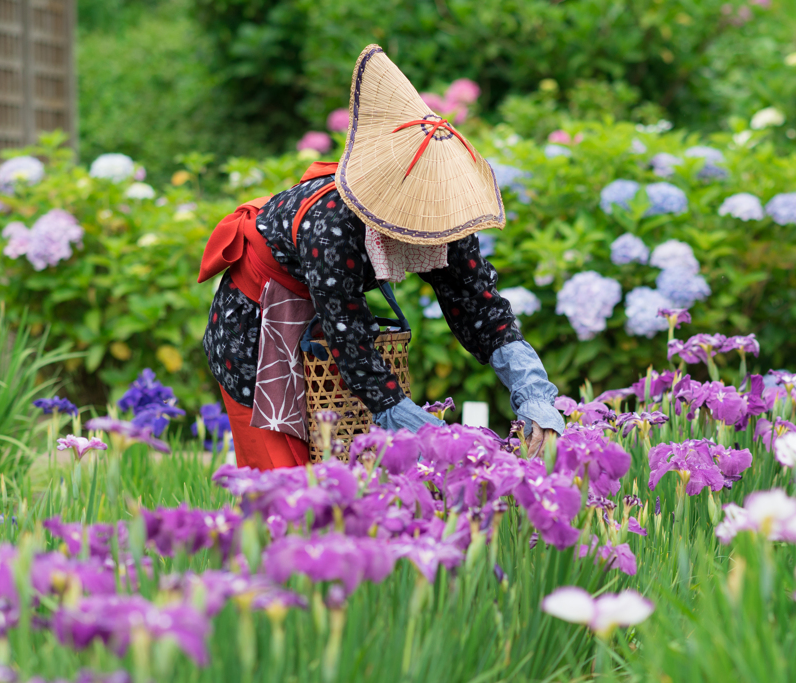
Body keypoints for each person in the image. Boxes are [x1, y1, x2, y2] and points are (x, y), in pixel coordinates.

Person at [197, 44, 564, 470]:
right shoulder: (333, 226)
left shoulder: (446, 215)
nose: (429, 226)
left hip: (325, 326)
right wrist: (430, 435)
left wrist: (534, 395)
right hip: (258, 325)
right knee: (286, 481)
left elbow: (480, 306)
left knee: (350, 477)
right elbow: (350, 337)